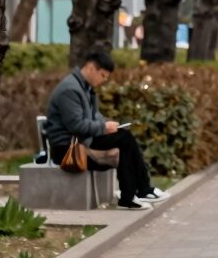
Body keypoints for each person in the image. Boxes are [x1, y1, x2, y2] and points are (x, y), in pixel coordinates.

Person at [45, 49, 169, 210]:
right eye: (102, 75)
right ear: (90, 68)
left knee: (124, 139)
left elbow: (93, 116)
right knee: (124, 139)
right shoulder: (71, 89)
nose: (103, 80)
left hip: (81, 142)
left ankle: (131, 195)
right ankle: (139, 192)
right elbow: (76, 125)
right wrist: (103, 128)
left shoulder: (84, 88)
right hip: (68, 149)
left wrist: (108, 124)